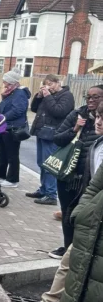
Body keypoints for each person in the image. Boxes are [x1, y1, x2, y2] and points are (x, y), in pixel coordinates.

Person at [40, 100, 103, 302]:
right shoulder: (97, 144)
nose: (99, 121)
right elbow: (94, 184)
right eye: (98, 116)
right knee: (69, 264)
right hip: (89, 220)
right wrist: (81, 211)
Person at [48, 85, 103, 259]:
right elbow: (57, 138)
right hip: (69, 175)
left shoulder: (100, 122)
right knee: (67, 212)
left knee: (85, 217)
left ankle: (81, 251)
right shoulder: (77, 115)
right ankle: (68, 248)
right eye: (89, 97)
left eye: (96, 97)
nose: (91, 100)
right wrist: (75, 129)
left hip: (91, 179)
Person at [27, 74, 75, 205]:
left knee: (50, 165)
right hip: (42, 132)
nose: (49, 87)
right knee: (41, 163)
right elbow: (35, 109)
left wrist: (47, 96)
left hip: (54, 134)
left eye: (51, 84)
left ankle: (51, 194)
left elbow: (59, 112)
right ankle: (43, 189)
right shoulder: (48, 96)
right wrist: (38, 97)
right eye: (46, 85)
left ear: (58, 82)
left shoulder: (67, 96)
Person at [0, 68, 31, 188]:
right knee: (3, 153)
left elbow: (18, 110)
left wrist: (3, 117)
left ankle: (12, 179)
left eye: (6, 82)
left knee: (12, 154)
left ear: (13, 83)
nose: (4, 84)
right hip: (5, 127)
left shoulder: (19, 93)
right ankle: (0, 175)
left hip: (12, 128)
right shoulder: (11, 93)